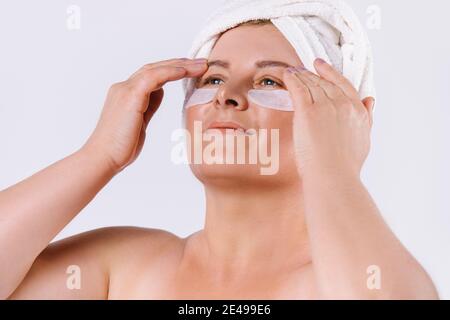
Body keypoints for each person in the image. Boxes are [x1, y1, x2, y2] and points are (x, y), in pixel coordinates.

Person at [1, 6, 438, 299]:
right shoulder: (124, 269)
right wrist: (98, 157)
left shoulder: (344, 280)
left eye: (271, 81)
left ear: (348, 119)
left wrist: (335, 166)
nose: (226, 97)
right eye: (211, 80)